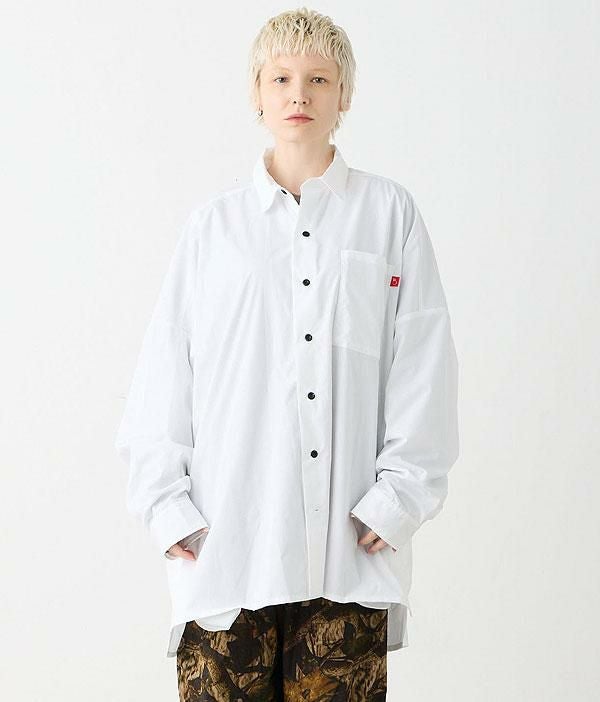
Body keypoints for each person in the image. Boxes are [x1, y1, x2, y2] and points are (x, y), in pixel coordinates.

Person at [115, 7, 459, 701]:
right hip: (226, 552)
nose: (299, 94)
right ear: (257, 92)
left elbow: (424, 365)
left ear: (344, 94)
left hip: (348, 558)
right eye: (281, 78)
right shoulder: (213, 229)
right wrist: (165, 505)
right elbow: (165, 371)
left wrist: (397, 499)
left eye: (318, 79)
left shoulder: (388, 215)